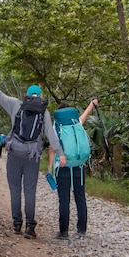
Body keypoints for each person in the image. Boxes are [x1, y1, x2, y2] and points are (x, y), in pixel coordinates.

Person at [0, 71, 67, 239]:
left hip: (14, 154)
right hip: (32, 156)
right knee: (30, 190)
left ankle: (17, 224)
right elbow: (51, 136)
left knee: (15, 189)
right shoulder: (44, 112)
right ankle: (30, 226)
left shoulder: (15, 104)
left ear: (26, 95)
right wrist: (61, 154)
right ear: (40, 96)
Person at [48, 99, 98, 240]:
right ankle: (81, 230)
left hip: (63, 168)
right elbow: (86, 114)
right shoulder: (76, 123)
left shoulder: (56, 127)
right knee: (80, 198)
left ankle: (63, 232)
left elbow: (52, 149)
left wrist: (50, 169)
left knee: (64, 200)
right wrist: (92, 104)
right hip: (78, 166)